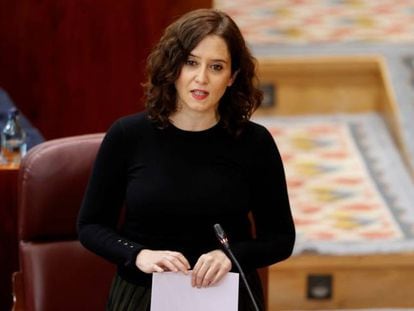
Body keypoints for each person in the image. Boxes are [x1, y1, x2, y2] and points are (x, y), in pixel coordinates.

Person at [77, 8, 295, 311]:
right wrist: (139, 255)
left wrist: (231, 256)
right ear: (173, 66)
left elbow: (281, 238)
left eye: (216, 67)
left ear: (232, 77)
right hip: (143, 294)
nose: (201, 78)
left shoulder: (254, 143)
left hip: (225, 294)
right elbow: (90, 226)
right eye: (191, 62)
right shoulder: (128, 135)